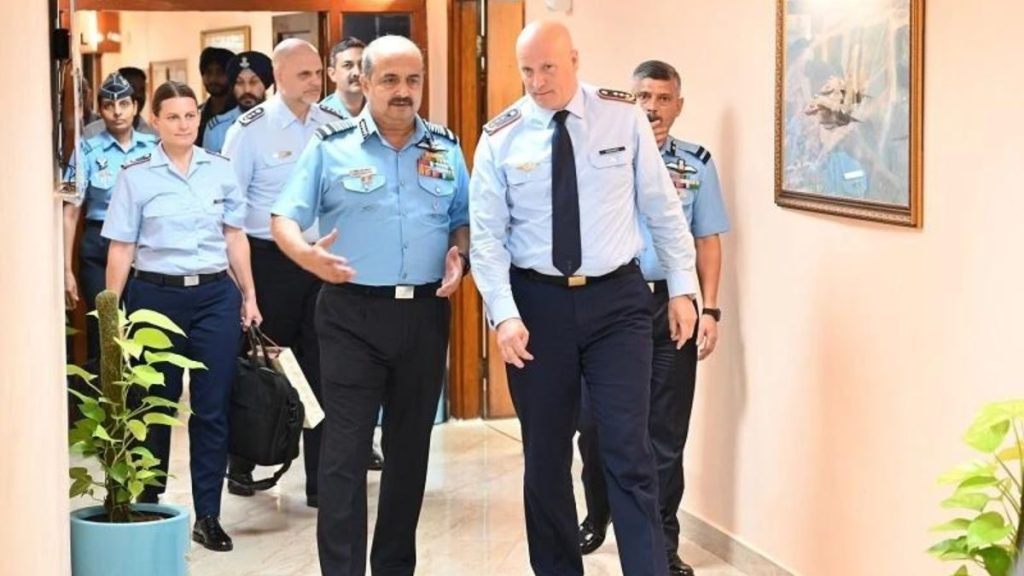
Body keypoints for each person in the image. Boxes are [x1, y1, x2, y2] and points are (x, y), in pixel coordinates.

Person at [469, 21, 698, 576]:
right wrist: (503, 315)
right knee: (545, 455)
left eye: (548, 67)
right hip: (536, 305)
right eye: (527, 70)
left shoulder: (621, 115)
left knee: (628, 448)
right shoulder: (500, 137)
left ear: (573, 59)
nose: (537, 81)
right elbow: (487, 239)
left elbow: (661, 205)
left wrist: (683, 288)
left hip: (618, 301)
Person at [271, 35, 469, 575]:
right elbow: (283, 217)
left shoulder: (446, 148)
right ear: (363, 82)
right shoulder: (330, 147)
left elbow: (461, 219)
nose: (403, 91)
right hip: (351, 315)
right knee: (345, 454)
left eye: (413, 80)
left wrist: (461, 256)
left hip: (424, 315)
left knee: (409, 454)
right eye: (390, 80)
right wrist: (307, 257)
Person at [576, 60, 730, 576]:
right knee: (594, 424)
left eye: (664, 99)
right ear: (629, 100)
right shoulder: (601, 155)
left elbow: (707, 240)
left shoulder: (695, 164)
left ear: (678, 106)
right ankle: (597, 512)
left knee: (664, 430)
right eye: (643, 96)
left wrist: (710, 308)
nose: (652, 108)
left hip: (671, 306)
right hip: (606, 305)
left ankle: (662, 542)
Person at [101, 80, 261, 553]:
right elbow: (122, 247)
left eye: (190, 115)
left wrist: (249, 295)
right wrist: (111, 314)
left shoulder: (220, 170)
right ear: (155, 121)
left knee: (212, 408)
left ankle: (207, 515)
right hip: (156, 297)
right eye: (172, 116)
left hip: (215, 297)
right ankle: (149, 503)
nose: (183, 124)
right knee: (156, 404)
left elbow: (234, 236)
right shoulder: (136, 176)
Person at [220, 39, 356, 506]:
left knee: (323, 368)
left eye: (318, 73)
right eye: (304, 75)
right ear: (278, 77)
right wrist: (242, 284)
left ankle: (321, 481)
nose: (316, 82)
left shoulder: (333, 123)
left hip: (318, 261)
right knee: (262, 369)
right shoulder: (250, 130)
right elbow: (230, 210)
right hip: (269, 261)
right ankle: (243, 463)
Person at [63, 72, 158, 359]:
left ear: (136, 107)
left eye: (124, 104)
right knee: (104, 327)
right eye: (108, 105)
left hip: (145, 245)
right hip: (100, 244)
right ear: (100, 109)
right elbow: (71, 212)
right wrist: (66, 270)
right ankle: (103, 388)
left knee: (144, 328)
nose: (117, 112)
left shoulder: (154, 147)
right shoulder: (87, 149)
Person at [203, 50, 273, 153]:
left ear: (265, 85)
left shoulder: (281, 122)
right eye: (239, 82)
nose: (247, 90)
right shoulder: (217, 128)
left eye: (253, 82)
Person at [83, 67, 156, 138]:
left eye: (142, 90)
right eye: (133, 88)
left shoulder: (153, 137)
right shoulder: (91, 134)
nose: (139, 95)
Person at [196, 46, 235, 145]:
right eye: (208, 72)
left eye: (220, 72)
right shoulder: (197, 114)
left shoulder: (242, 113)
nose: (213, 79)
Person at [321, 37, 366, 118]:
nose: (357, 72)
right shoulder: (321, 116)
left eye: (362, 65)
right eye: (347, 65)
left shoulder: (380, 111)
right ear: (332, 74)